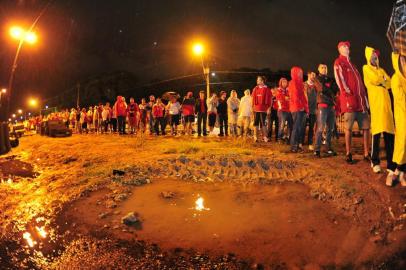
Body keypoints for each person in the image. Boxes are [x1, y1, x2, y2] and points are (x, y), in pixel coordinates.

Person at [362, 47, 397, 186]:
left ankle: (390, 164)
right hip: (376, 105)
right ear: (369, 57)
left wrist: (382, 80)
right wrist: (382, 80)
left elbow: (389, 83)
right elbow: (375, 79)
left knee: (389, 134)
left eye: (376, 57)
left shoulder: (382, 70)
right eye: (373, 57)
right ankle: (374, 161)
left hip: (386, 106)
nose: (375, 59)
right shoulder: (366, 68)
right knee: (376, 133)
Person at [334, 41, 370, 164]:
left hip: (361, 104)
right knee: (348, 128)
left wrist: (365, 101)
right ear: (339, 49)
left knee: (366, 128)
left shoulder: (353, 66)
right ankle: (348, 154)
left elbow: (361, 85)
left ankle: (366, 154)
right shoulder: (339, 62)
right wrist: (347, 94)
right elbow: (340, 79)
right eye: (344, 46)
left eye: (348, 46)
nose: (347, 48)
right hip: (350, 102)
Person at [313, 64, 339, 157]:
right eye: (322, 67)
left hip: (331, 106)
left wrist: (328, 91)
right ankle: (317, 149)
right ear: (318, 69)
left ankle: (327, 147)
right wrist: (330, 91)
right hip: (322, 105)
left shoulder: (330, 79)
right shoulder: (316, 79)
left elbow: (335, 89)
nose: (324, 69)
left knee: (330, 129)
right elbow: (321, 88)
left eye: (326, 67)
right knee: (320, 128)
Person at [390, 52, 406, 187]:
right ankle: (396, 171)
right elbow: (401, 101)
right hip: (402, 116)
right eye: (402, 60)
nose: (404, 63)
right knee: (402, 142)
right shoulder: (395, 78)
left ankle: (401, 173)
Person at [289, 66, 308, 152]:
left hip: (301, 108)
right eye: (299, 72)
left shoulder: (300, 83)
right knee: (296, 127)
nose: (300, 74)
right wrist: (300, 106)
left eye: (301, 72)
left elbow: (303, 96)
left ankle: (297, 145)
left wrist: (305, 108)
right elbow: (296, 95)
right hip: (297, 108)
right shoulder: (293, 82)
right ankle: (293, 146)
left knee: (299, 127)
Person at [252, 76, 273, 142]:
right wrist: (252, 107)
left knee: (263, 123)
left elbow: (270, 99)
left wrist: (269, 108)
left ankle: (265, 137)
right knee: (255, 123)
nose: (257, 81)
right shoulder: (255, 89)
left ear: (262, 81)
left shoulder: (267, 89)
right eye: (257, 79)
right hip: (256, 109)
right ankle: (255, 136)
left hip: (263, 109)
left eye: (258, 80)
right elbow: (252, 98)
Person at [304, 71, 318, 150]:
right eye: (312, 75)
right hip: (305, 109)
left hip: (313, 110)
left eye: (314, 75)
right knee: (303, 126)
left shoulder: (316, 85)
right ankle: (300, 143)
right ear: (308, 75)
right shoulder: (304, 84)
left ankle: (310, 143)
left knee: (312, 127)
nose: (313, 76)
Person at [276, 78, 292, 143]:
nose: (285, 83)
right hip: (282, 110)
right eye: (283, 82)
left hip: (289, 110)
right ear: (281, 83)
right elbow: (281, 97)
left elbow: (291, 97)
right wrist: (286, 98)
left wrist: (287, 98)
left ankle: (287, 137)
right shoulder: (278, 90)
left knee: (290, 125)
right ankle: (279, 138)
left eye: (286, 82)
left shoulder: (289, 90)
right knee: (282, 125)